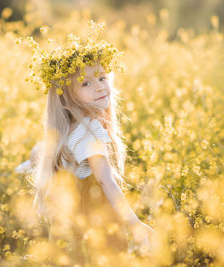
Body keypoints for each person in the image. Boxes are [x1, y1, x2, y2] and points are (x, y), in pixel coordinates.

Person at [17, 24, 155, 266]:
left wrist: (33, 159)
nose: (100, 86)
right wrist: (136, 225)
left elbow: (40, 150)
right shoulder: (90, 131)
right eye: (86, 83)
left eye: (102, 78)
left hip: (68, 230)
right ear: (67, 95)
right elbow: (105, 180)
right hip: (96, 227)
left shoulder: (67, 129)